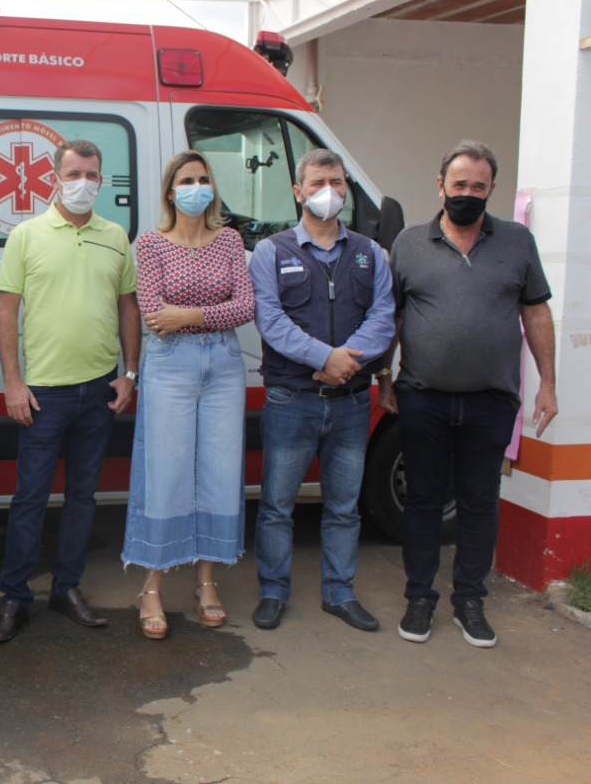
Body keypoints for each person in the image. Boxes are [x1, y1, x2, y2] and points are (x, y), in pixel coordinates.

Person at [380, 139, 557, 648]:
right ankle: (419, 597)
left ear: (492, 190)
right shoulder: (410, 244)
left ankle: (470, 601)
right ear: (440, 186)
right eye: (459, 184)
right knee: (422, 501)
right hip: (423, 398)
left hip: (490, 400)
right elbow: (392, 318)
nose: (468, 194)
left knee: (480, 502)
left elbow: (537, 311)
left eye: (479, 186)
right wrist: (384, 378)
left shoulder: (517, 242)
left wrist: (548, 382)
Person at [0, 139, 140, 643]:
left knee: (82, 496)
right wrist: (12, 381)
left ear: (102, 179)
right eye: (74, 173)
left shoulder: (116, 236)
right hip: (43, 393)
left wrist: (130, 373)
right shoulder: (26, 235)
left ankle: (67, 587)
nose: (84, 183)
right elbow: (7, 310)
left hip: (98, 389)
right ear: (54, 177)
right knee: (30, 497)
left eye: (92, 174)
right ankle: (15, 596)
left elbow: (127, 308)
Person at [248, 148, 395, 633]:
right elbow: (270, 320)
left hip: (352, 402)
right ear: (297, 191)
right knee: (276, 507)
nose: (327, 191)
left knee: (343, 507)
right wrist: (323, 358)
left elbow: (383, 316)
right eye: (316, 183)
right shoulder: (272, 252)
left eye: (335, 181)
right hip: (292, 401)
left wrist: (344, 361)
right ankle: (273, 591)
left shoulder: (370, 254)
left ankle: (339, 592)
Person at [122, 150, 255, 639]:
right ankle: (152, 586)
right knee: (167, 471)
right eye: (185, 180)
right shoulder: (152, 244)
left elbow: (246, 306)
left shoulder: (230, 241)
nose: (195, 187)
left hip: (222, 364)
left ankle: (206, 581)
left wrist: (191, 317)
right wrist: (196, 313)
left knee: (219, 470)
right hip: (169, 367)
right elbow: (154, 313)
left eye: (203, 179)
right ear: (170, 191)